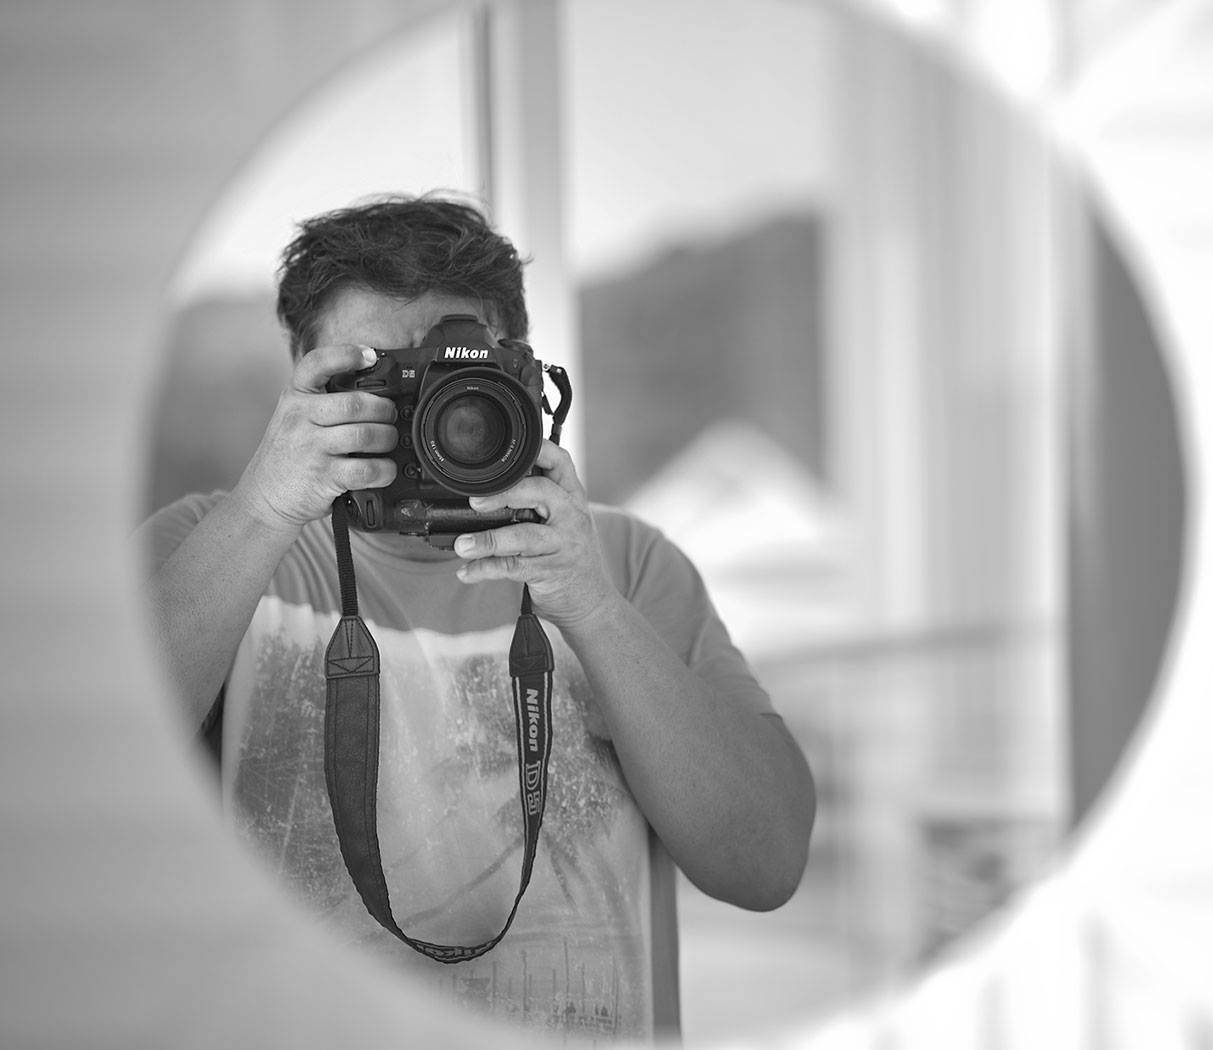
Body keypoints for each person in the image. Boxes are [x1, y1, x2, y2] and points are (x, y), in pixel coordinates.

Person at [137, 196, 815, 1040]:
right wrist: (264, 512)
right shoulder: (216, 545)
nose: (428, 421)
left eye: (454, 386)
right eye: (382, 382)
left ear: (522, 381)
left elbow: (764, 865)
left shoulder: (624, 566)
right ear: (305, 385)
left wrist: (591, 607)